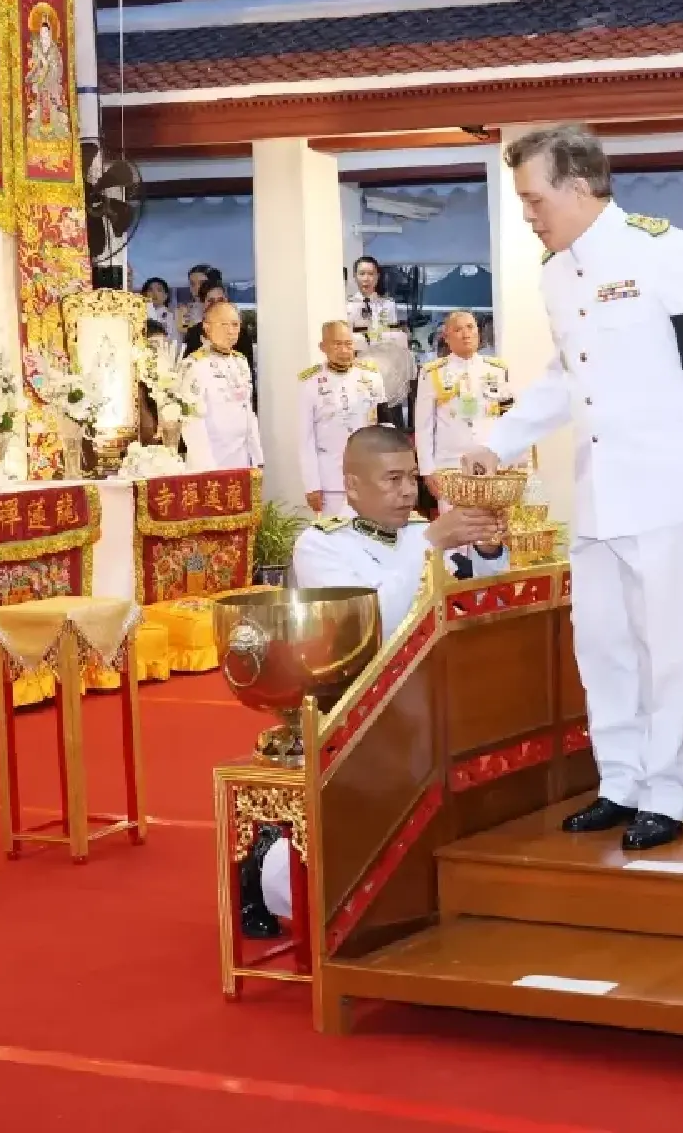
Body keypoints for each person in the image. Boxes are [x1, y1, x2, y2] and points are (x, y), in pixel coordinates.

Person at [461, 124, 683, 852]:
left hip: (668, 487)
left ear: (578, 187)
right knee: (602, 644)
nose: (529, 214)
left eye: (534, 199)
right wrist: (498, 441)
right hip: (597, 493)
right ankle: (619, 781)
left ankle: (666, 791)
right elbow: (568, 375)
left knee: (668, 645)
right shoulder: (556, 274)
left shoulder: (668, 253)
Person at [250, 425, 509, 932]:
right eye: (392, 480)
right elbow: (369, 628)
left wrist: (488, 551)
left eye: (412, 477)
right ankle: (266, 869)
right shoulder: (320, 546)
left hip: (441, 698)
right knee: (355, 850)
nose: (408, 492)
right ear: (351, 486)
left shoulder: (419, 532)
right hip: (364, 708)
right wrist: (431, 543)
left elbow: (488, 603)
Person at [413, 310, 511, 501]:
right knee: (456, 526)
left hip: (491, 463)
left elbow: (507, 418)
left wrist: (511, 459)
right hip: (450, 465)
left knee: (491, 526)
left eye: (470, 327)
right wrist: (427, 470)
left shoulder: (497, 370)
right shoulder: (433, 372)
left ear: (478, 332)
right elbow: (423, 426)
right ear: (446, 337)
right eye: (458, 329)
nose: (466, 334)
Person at [297, 320, 385, 518]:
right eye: (337, 344)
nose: (344, 350)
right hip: (331, 481)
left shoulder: (371, 377)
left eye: (348, 343)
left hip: (368, 476)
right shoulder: (310, 383)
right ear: (323, 347)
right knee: (335, 538)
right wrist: (312, 485)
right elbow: (306, 440)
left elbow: (385, 429)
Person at [179, 302, 262, 470]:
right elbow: (192, 424)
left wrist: (258, 456)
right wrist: (208, 469)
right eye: (224, 325)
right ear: (207, 327)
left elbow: (248, 411)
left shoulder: (241, 361)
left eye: (235, 324)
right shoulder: (194, 365)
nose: (231, 331)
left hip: (243, 460)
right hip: (212, 463)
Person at [348, 255, 414, 432]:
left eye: (371, 274)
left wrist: (376, 338)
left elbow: (395, 337)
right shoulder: (347, 306)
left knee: (390, 422)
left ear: (377, 277)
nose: (366, 278)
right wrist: (368, 339)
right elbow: (349, 341)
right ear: (355, 276)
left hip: (387, 372)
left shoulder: (387, 305)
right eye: (362, 273)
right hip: (360, 372)